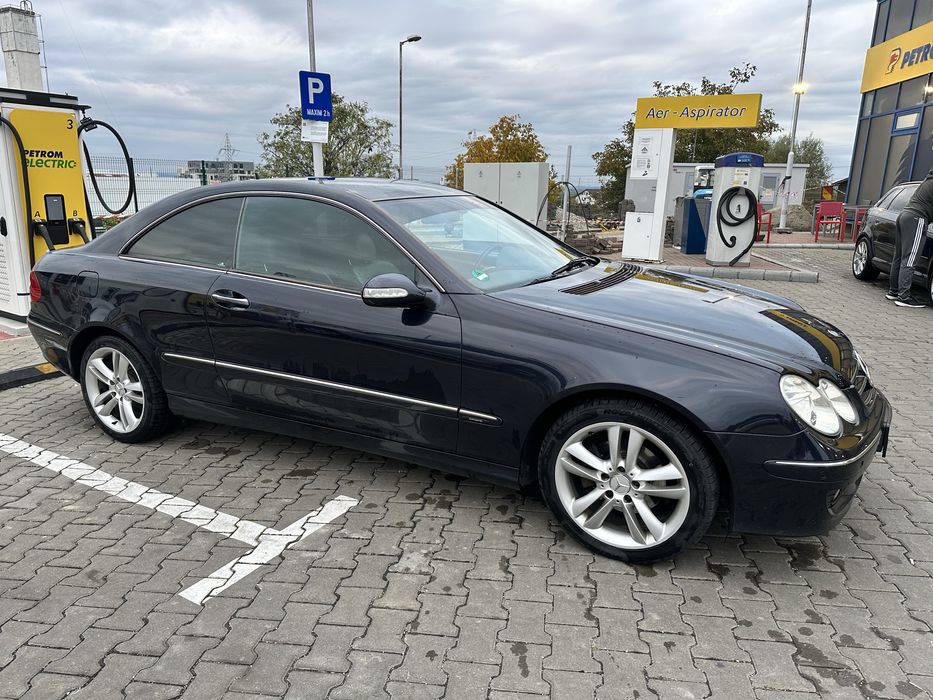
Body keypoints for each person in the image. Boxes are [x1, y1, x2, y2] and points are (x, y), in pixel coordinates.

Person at [887, 167, 933, 308]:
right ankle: (904, 297)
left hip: (904, 215)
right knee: (910, 258)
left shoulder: (928, 180)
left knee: (900, 257)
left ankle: (894, 291)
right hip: (916, 218)